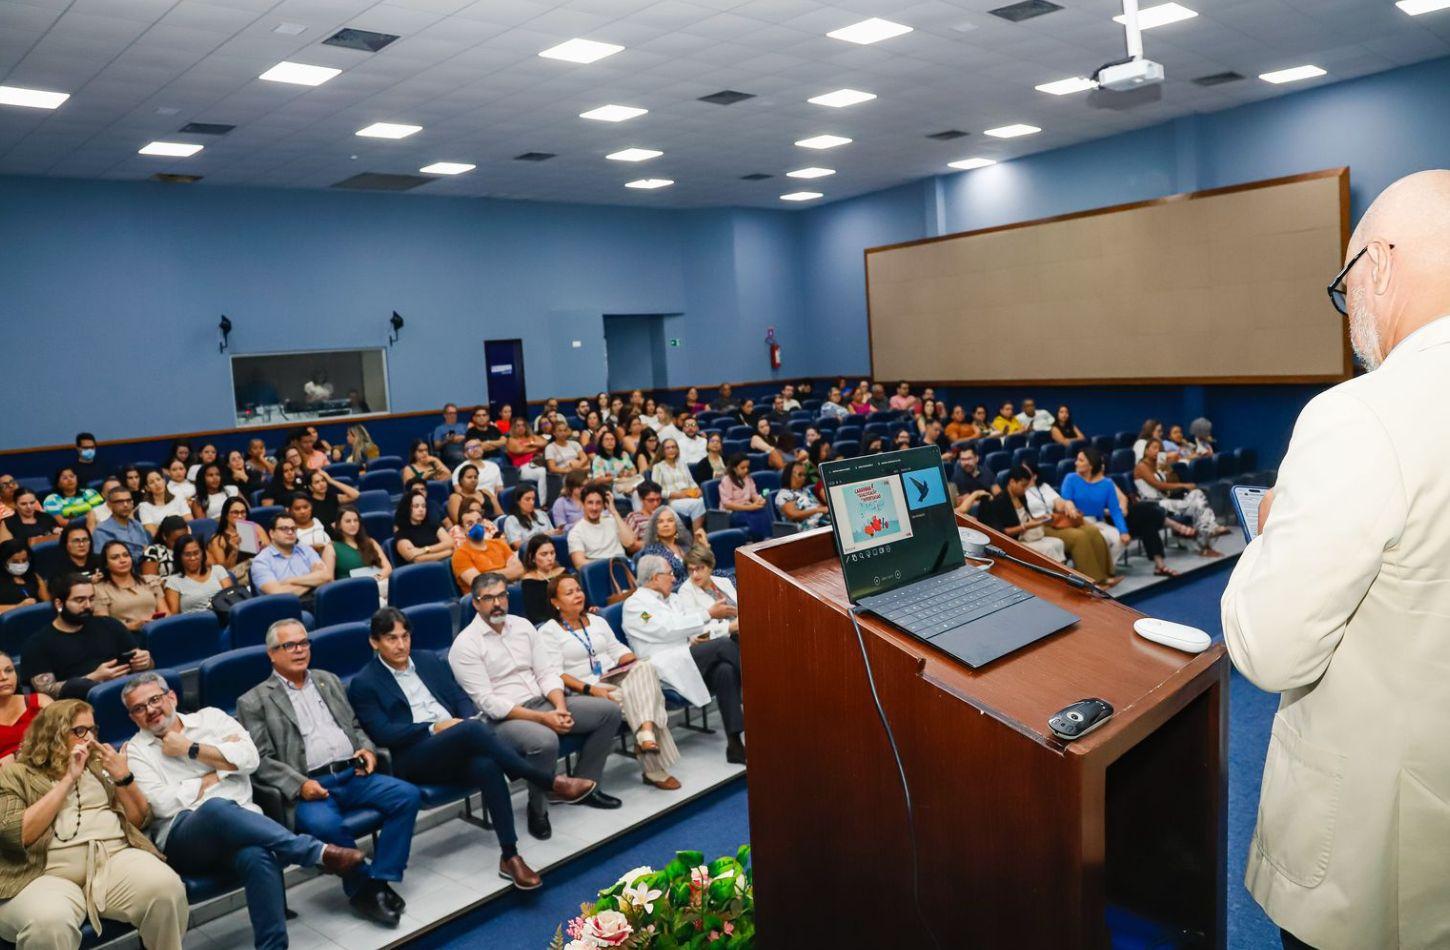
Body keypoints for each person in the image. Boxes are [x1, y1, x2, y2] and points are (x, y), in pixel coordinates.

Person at [1218, 170, 1450, 950]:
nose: (1348, 310)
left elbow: (1270, 650)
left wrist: (1274, 536)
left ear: (1378, 266)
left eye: (1344, 284)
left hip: (1380, 850)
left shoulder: (1361, 415)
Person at [350, 608, 597, 889]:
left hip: (459, 741)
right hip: (414, 756)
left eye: (405, 636)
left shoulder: (427, 660)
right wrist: (434, 728)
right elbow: (383, 732)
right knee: (472, 730)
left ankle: (510, 855)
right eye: (391, 639)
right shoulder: (364, 683)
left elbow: (459, 697)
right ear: (374, 642)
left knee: (486, 763)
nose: (401, 644)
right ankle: (547, 781)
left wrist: (465, 721)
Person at [121, 672, 365, 950]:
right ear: (132, 717)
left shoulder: (211, 719)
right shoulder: (136, 751)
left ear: (172, 697)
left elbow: (250, 759)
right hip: (186, 839)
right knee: (216, 808)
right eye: (139, 708)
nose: (150, 710)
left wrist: (191, 749)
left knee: (258, 857)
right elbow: (161, 804)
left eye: (155, 699)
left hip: (243, 828)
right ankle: (312, 851)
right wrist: (219, 771)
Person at [237, 619, 422, 928]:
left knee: (407, 795)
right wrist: (300, 785)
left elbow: (354, 726)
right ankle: (363, 889)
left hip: (354, 774)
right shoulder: (254, 700)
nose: (299, 650)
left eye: (304, 643)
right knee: (326, 826)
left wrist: (365, 749)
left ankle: (378, 880)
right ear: (272, 654)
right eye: (289, 645)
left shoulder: (328, 680)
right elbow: (261, 760)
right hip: (311, 787)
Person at [0, 699, 189, 950]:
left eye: (92, 730)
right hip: (41, 873)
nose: (89, 738)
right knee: (47, 923)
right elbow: (18, 834)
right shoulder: (15, 774)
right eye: (80, 731)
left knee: (166, 888)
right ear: (52, 734)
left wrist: (124, 778)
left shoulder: (99, 766)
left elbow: (139, 820)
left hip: (112, 859)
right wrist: (69, 778)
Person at [449, 573, 623, 840]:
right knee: (545, 740)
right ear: (475, 603)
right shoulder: (465, 645)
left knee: (609, 711)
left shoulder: (523, 626)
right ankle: (537, 809)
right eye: (489, 598)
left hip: (545, 702)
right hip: (505, 720)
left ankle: (584, 786)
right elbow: (489, 702)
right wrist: (545, 719)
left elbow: (547, 672)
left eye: (502, 596)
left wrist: (560, 706)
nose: (497, 604)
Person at [539, 575, 681, 790]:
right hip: (583, 688)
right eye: (569, 593)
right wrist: (591, 688)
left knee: (645, 668)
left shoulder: (597, 620)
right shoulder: (549, 631)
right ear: (555, 602)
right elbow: (555, 674)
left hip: (613, 675)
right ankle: (652, 762)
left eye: (578, 589)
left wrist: (629, 660)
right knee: (638, 698)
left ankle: (645, 733)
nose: (578, 595)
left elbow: (617, 650)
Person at [623, 556, 745, 764]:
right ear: (654, 577)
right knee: (725, 646)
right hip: (663, 667)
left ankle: (735, 744)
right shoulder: (636, 606)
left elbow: (692, 626)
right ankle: (767, 693)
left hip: (688, 656)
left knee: (725, 670)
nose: (674, 578)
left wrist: (715, 630)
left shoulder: (673, 599)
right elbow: (666, 629)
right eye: (670, 574)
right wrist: (708, 614)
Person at [23, 573, 153, 700]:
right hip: (77, 707)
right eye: (79, 600)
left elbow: (146, 664)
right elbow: (46, 692)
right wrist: (93, 678)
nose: (88, 606)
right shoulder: (38, 643)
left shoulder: (110, 625)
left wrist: (145, 662)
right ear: (59, 604)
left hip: (125, 694)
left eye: (91, 599)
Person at [1060, 449, 1175, 577]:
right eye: (1077, 459)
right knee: (1099, 538)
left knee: (1121, 539)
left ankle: (1104, 572)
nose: (1076, 463)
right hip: (1078, 520)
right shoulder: (1070, 478)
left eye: (1080, 460)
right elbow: (1066, 499)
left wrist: (1123, 531)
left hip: (1098, 521)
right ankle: (1093, 574)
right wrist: (1069, 506)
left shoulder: (1106, 484)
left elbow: (1115, 510)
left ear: (1091, 465)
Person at [1021, 465, 1119, 587]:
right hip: (1040, 526)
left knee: (1092, 530)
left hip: (1056, 520)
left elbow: (1060, 503)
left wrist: (1069, 506)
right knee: (1078, 536)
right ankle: (1091, 582)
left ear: (1035, 475)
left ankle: (1106, 575)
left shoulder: (1044, 487)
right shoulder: (1021, 491)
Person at [1134, 440, 1223, 557]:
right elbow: (1158, 485)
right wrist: (1184, 485)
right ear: (1146, 450)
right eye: (1154, 448)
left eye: (1160, 449)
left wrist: (1168, 470)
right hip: (1152, 504)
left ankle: (1207, 541)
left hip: (1165, 501)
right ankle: (1206, 541)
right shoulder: (1141, 467)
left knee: (1198, 495)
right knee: (1198, 507)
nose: (1157, 451)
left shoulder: (1157, 466)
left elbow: (1171, 484)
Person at [978, 468, 1067, 563]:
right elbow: (1002, 532)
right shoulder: (1000, 501)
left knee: (1059, 543)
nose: (1025, 490)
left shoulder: (1021, 497)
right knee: (1048, 548)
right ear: (1012, 482)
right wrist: (1025, 526)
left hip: (1028, 536)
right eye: (1023, 486)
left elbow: (1027, 518)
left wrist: (1041, 518)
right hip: (1015, 540)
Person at [250, 513, 333, 607]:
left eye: (293, 529)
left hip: (314, 600)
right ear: (272, 533)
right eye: (284, 529)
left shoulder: (305, 549)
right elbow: (277, 594)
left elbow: (326, 576)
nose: (290, 532)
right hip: (283, 608)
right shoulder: (261, 561)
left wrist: (290, 580)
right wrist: (313, 581)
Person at [93, 541, 169, 632]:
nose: (122, 560)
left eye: (126, 555)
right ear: (106, 564)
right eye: (115, 557)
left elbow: (166, 615)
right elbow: (103, 627)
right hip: (124, 639)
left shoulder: (150, 581)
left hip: (156, 633)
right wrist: (130, 626)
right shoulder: (100, 588)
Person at [452, 506, 522, 592]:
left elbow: (519, 570)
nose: (476, 526)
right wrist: (508, 573)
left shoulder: (499, 543)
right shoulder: (460, 555)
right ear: (463, 530)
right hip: (484, 599)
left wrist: (487, 574)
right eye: (470, 524)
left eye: (479, 521)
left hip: (510, 591)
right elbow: (479, 583)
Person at [568, 485, 639, 569]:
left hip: (622, 566)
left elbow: (630, 542)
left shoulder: (612, 520)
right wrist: (608, 564)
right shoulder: (576, 532)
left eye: (598, 503)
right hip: (599, 570)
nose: (594, 508)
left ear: (603, 505)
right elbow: (579, 564)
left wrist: (614, 512)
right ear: (583, 504)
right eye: (590, 503)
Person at [676, 546, 739, 640]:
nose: (695, 575)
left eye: (700, 568)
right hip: (724, 638)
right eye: (690, 570)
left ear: (710, 567)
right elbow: (694, 632)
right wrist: (730, 627)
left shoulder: (724, 581)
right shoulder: (686, 592)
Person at [325, 506, 391, 595]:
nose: (353, 524)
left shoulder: (370, 541)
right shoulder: (331, 547)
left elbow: (387, 567)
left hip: (377, 585)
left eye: (356, 520)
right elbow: (329, 581)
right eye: (348, 521)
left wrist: (374, 579)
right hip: (350, 591)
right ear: (339, 525)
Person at [163, 535, 233, 614]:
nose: (193, 558)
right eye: (187, 555)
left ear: (202, 554)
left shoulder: (218, 570)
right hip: (194, 623)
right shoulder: (173, 581)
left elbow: (231, 600)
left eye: (196, 553)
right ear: (179, 557)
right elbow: (174, 616)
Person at [637, 507, 707, 587]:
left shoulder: (684, 546)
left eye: (670, 520)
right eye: (660, 522)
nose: (666, 525)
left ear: (677, 525)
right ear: (655, 528)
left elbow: (701, 568)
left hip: (695, 586)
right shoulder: (652, 552)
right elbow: (662, 583)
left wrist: (705, 546)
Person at [0, 649, 50, 758]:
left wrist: (15, 755)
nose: (4, 677)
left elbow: (68, 734)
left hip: (46, 765)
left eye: (9, 670)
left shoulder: (40, 702)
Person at [208, 496, 269, 578]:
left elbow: (270, 553)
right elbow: (224, 572)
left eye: (243, 512)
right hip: (240, 577)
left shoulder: (256, 528)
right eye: (235, 512)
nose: (240, 516)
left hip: (261, 569)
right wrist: (234, 550)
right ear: (226, 515)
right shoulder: (218, 539)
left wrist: (263, 548)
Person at [717, 453, 772, 541]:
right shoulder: (726, 480)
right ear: (734, 468)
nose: (746, 470)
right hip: (732, 513)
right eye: (742, 468)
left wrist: (760, 500)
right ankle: (758, 542)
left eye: (747, 467)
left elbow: (754, 495)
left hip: (747, 508)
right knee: (752, 517)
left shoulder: (748, 478)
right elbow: (727, 504)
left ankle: (768, 538)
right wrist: (750, 507)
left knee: (763, 511)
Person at [517, 534, 569, 625]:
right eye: (544, 554)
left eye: (552, 553)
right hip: (550, 625)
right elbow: (536, 616)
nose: (550, 558)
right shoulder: (529, 581)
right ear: (532, 557)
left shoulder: (563, 572)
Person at [652, 439, 707, 523]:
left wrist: (697, 489)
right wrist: (674, 494)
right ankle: (697, 535)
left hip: (689, 496)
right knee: (699, 504)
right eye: (668, 448)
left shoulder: (682, 464)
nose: (671, 450)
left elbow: (691, 482)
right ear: (663, 451)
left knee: (705, 501)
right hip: (673, 500)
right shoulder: (658, 467)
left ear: (677, 449)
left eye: (673, 447)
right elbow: (656, 490)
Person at [392, 493, 453, 565]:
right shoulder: (401, 533)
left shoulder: (432, 525)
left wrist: (424, 550)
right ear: (407, 508)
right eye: (416, 506)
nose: (421, 510)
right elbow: (417, 559)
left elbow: (450, 543)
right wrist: (448, 552)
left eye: (424, 506)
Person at [504, 418, 550, 504]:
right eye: (518, 426)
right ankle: (542, 504)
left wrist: (530, 444)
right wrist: (536, 448)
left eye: (523, 425)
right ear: (513, 428)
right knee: (542, 471)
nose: (521, 428)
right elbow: (520, 450)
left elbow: (545, 443)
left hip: (538, 463)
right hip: (523, 467)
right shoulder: (511, 440)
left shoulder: (532, 437)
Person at [775, 460, 829, 529]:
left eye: (804, 475)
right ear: (788, 475)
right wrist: (817, 510)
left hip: (821, 522)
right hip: (806, 529)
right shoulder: (784, 494)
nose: (803, 478)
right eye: (800, 474)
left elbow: (818, 506)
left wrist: (823, 510)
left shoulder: (804, 490)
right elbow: (793, 515)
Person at [503, 485, 557, 549]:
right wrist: (542, 536)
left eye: (533, 499)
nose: (532, 502)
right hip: (528, 555)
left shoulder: (541, 514)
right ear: (518, 501)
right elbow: (517, 545)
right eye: (527, 499)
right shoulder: (511, 520)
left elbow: (554, 534)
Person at [136, 469, 190, 534]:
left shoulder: (178, 497)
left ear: (164, 481)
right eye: (151, 482)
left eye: (158, 479)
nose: (156, 484)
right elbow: (152, 533)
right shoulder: (144, 506)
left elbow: (189, 522)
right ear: (147, 488)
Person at [950, 447, 999, 514]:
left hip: (992, 508)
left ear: (976, 458)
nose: (966, 462)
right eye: (963, 459)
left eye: (969, 458)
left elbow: (998, 493)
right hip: (975, 514)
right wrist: (990, 499)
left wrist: (995, 499)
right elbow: (968, 504)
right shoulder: (957, 478)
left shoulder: (986, 471)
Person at [0, 540, 43, 614]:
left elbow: (47, 603)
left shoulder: (33, 576)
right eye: (15, 562)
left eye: (24, 560)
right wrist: (18, 607)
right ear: (3, 561)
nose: (21, 564)